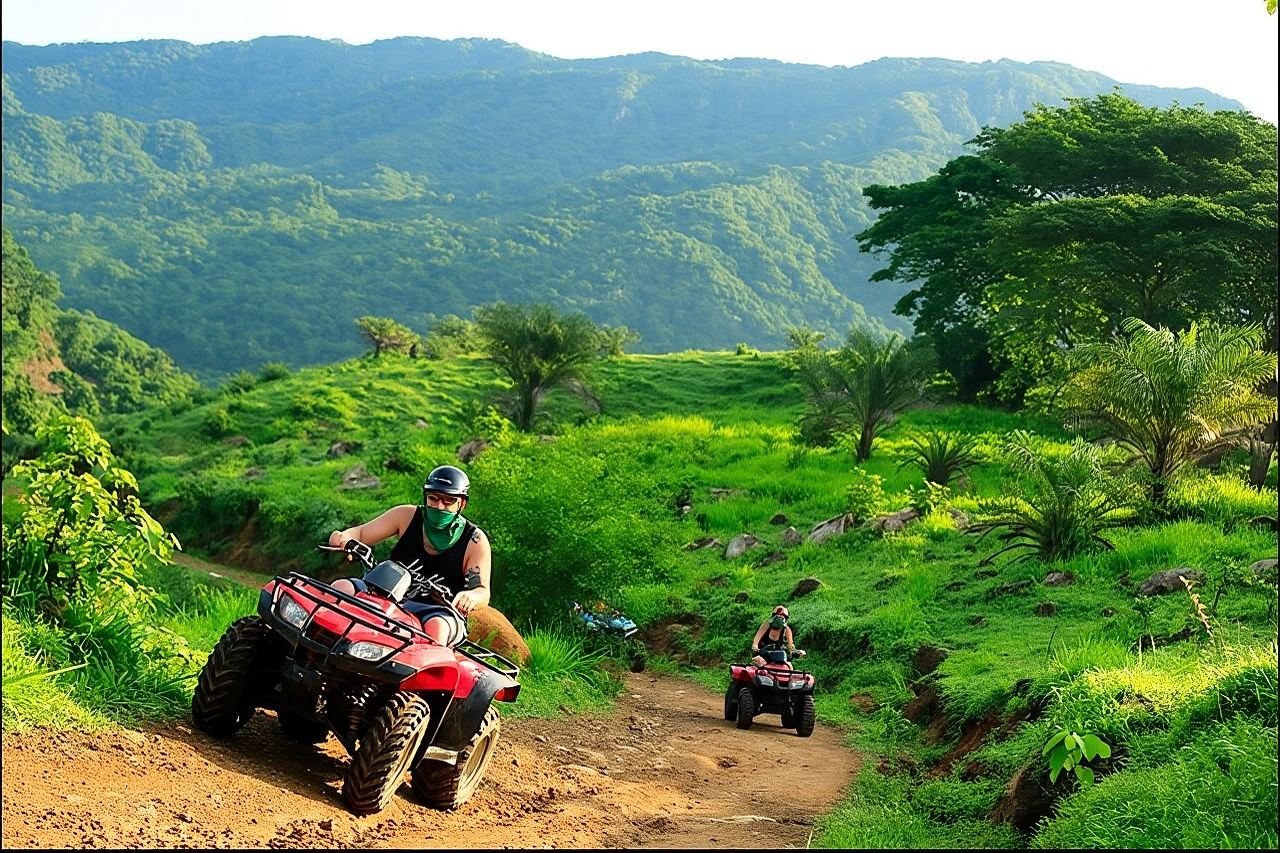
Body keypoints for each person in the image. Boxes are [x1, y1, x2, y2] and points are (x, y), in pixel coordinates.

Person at [327, 465, 491, 647]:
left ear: (462, 503)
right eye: (433, 498)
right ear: (425, 496)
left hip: (437, 610)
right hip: (384, 592)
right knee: (340, 587)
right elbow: (360, 532)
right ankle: (320, 647)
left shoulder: (474, 540)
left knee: (437, 628)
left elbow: (482, 591)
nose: (439, 506)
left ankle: (422, 671)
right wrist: (343, 538)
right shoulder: (406, 516)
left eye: (448, 501)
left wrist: (471, 597)